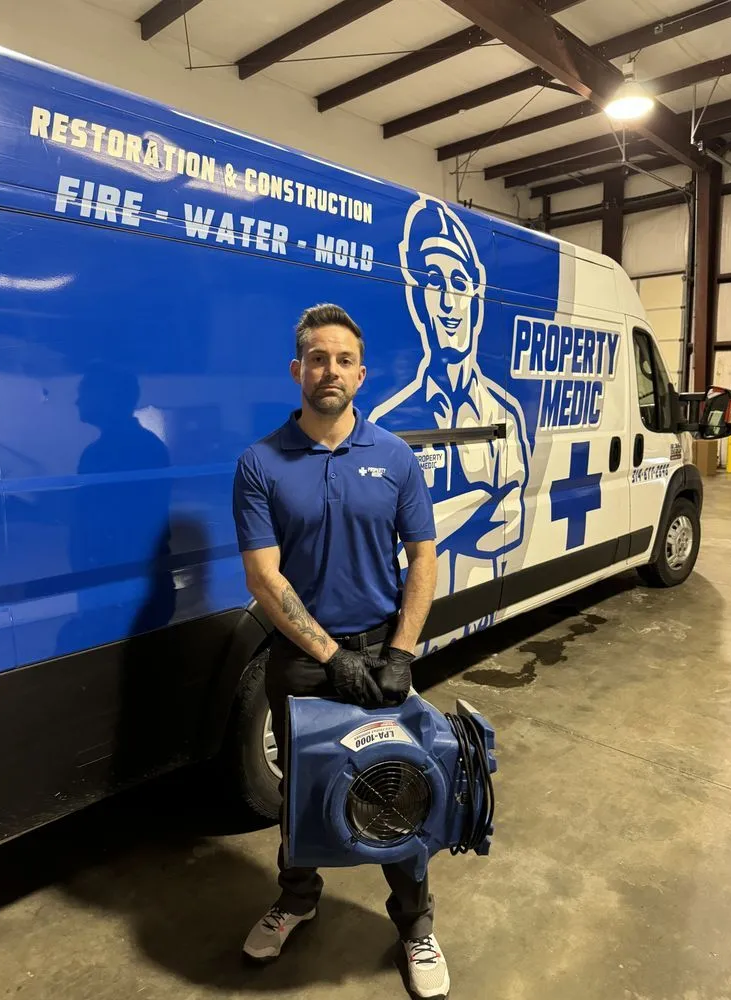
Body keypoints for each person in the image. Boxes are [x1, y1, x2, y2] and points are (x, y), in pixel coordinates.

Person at [233, 303, 448, 999]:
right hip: (301, 659)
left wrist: (402, 654)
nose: (330, 370)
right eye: (317, 359)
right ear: (299, 370)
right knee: (304, 791)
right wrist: (332, 658)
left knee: (401, 787)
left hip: (383, 649)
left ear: (362, 372)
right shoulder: (260, 464)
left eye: (343, 360)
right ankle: (297, 899)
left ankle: (415, 926)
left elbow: (423, 557)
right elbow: (265, 578)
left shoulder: (393, 458)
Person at [370, 194, 530, 600]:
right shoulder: (385, 423)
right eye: (433, 282)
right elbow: (375, 542)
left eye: (458, 283)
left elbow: (511, 520)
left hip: (485, 600)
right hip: (408, 611)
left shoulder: (504, 413)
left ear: (476, 298)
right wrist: (474, 508)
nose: (447, 302)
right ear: (416, 300)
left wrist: (432, 523)